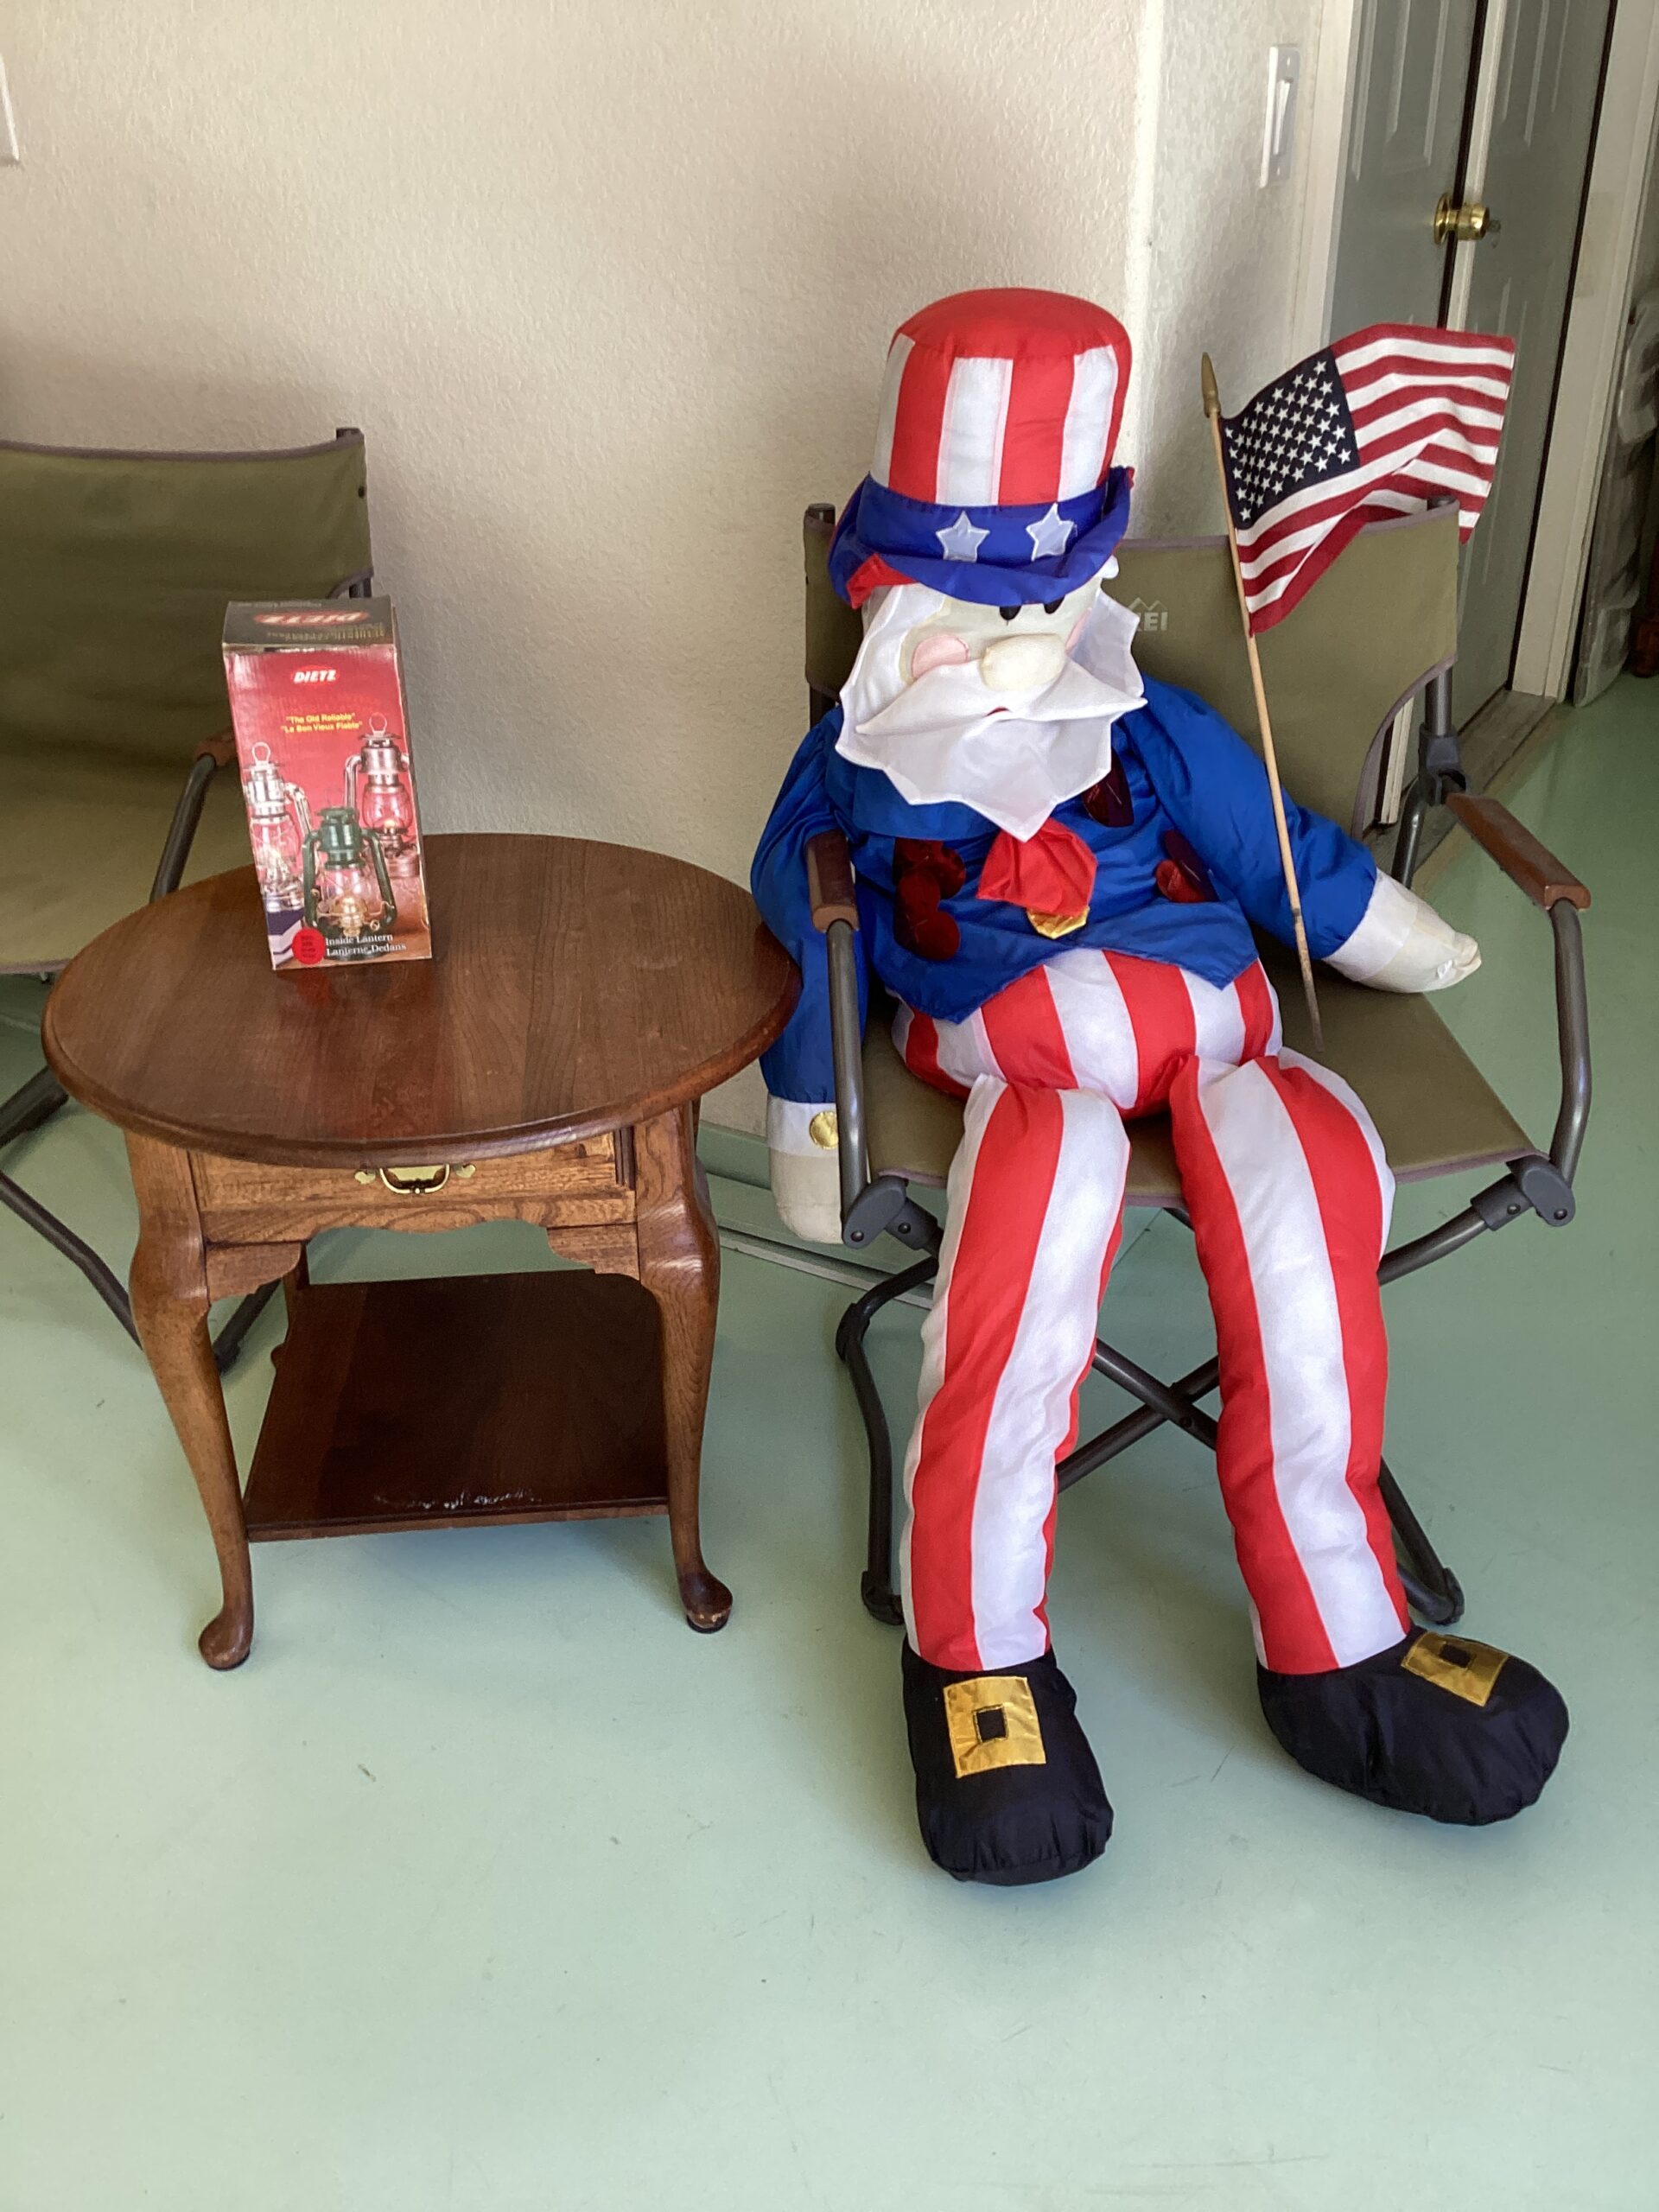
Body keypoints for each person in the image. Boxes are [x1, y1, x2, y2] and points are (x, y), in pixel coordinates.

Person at [753, 288, 1567, 1886]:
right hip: (1018, 1062)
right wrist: (808, 1107)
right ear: (888, 591)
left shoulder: (1145, 720)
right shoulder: (858, 757)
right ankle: (976, 1651)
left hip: (1223, 1028)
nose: (1003, 648)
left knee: (1303, 1159)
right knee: (1037, 1200)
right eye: (965, 604)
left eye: (1033, 603)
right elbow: (803, 909)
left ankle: (1341, 1639)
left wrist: (1383, 929)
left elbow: (1272, 844)